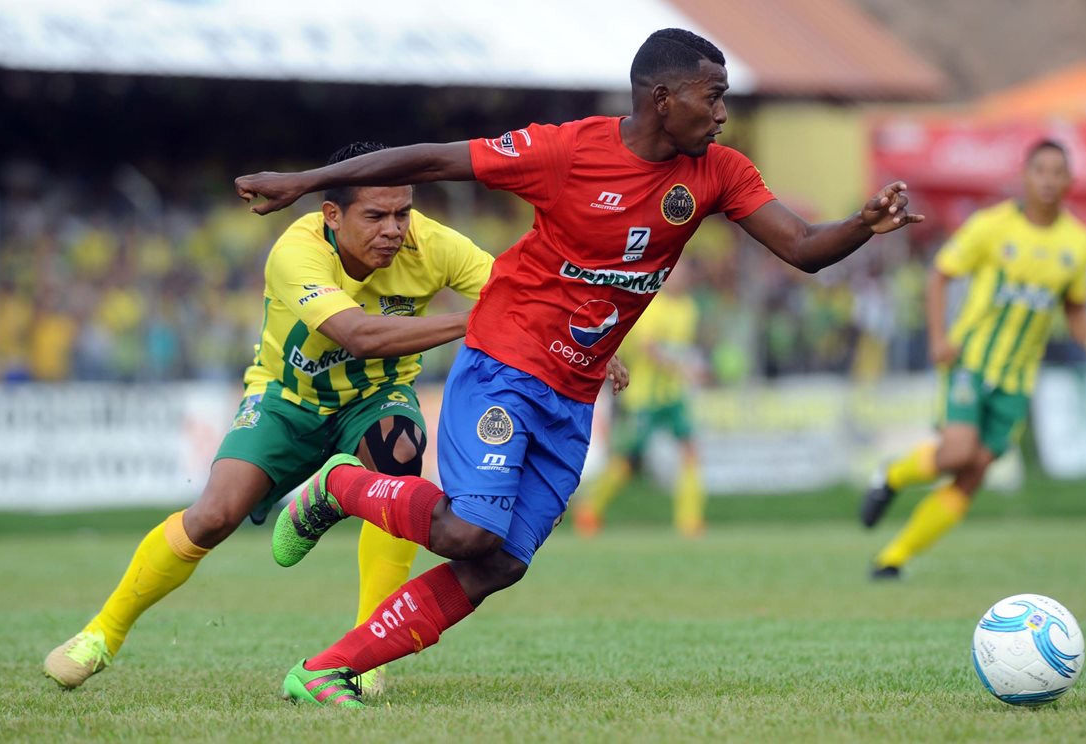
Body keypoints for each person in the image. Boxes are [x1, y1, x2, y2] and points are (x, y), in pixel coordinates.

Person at [235, 27, 922, 708]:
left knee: (499, 563)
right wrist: (306, 182)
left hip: (574, 394)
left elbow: (802, 246)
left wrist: (861, 224)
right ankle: (340, 486)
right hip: (504, 364)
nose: (722, 113)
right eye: (711, 97)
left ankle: (325, 671)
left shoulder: (719, 172)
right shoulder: (566, 150)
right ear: (662, 99)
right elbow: (436, 160)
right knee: (469, 531)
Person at [44, 142, 496, 692]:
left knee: (399, 454)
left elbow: (517, 293)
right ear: (332, 215)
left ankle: (368, 655)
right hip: (285, 399)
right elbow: (358, 335)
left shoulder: (435, 245)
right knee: (214, 515)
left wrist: (575, 332)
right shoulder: (296, 251)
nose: (394, 230)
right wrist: (475, 321)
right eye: (376, 215)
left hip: (376, 396)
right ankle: (102, 633)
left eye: (403, 213)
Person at [859, 139, 1086, 580]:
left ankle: (892, 559)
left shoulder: (1078, 242)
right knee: (958, 452)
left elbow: (1074, 306)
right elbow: (940, 274)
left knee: (974, 470)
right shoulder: (991, 226)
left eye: (1058, 172)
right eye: (1041, 170)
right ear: (1025, 176)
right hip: (972, 361)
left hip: (1018, 378)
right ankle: (892, 475)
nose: (1049, 180)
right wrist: (938, 339)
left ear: (1070, 181)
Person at [573, 260, 708, 537]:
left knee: (690, 449)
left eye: (684, 274)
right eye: (676, 273)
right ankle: (589, 509)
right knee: (627, 459)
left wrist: (694, 368)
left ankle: (690, 521)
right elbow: (648, 348)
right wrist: (683, 369)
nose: (680, 278)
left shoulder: (689, 308)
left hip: (673, 395)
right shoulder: (652, 305)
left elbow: (682, 349)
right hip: (645, 397)